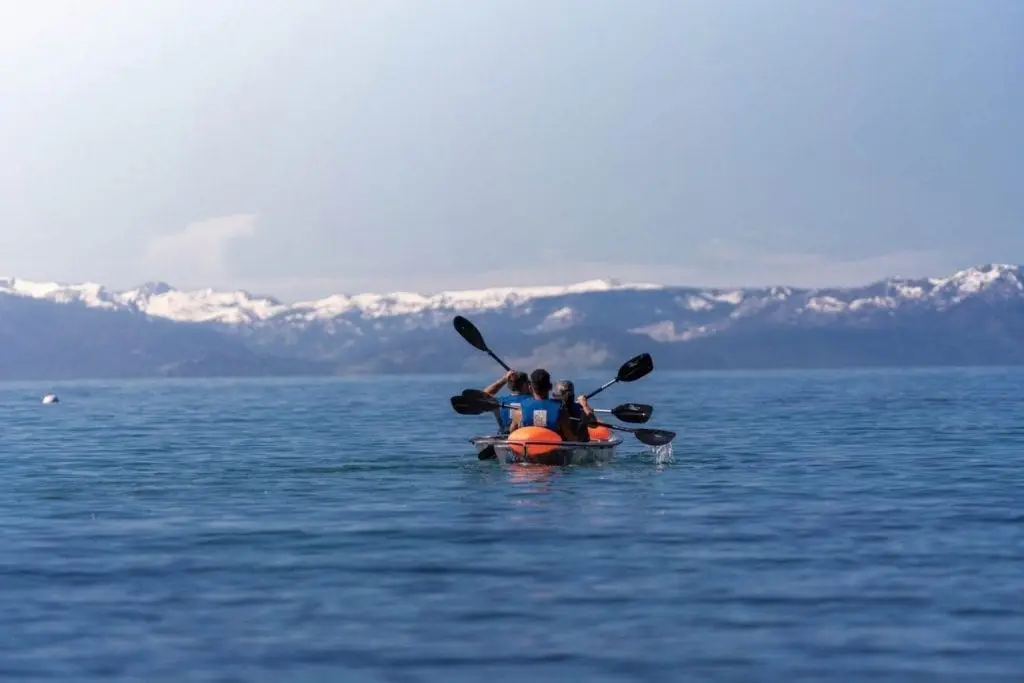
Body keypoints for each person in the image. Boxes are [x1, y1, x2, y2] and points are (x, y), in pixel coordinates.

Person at [508, 368, 574, 440]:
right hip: (553, 450)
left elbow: (511, 435)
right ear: (550, 387)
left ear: (530, 387)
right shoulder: (561, 411)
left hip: (527, 450)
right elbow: (571, 438)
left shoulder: (519, 412)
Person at [481, 369, 531, 434]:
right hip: (526, 438)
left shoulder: (498, 402)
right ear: (525, 385)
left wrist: (503, 380)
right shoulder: (533, 401)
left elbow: (482, 395)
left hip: (504, 438)